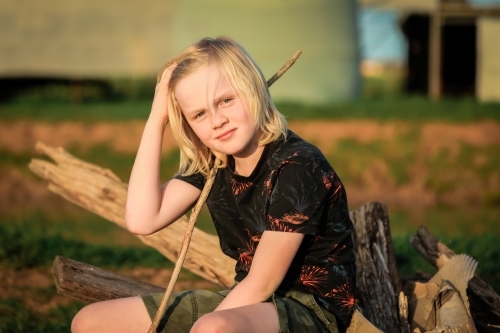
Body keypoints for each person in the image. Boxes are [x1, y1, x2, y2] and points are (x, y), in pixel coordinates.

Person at [71, 36, 356, 333]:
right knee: (90, 322)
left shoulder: (298, 164)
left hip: (312, 310)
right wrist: (157, 119)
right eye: (199, 114)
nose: (217, 121)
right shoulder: (215, 163)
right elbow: (142, 219)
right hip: (245, 302)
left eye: (226, 100)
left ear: (253, 87)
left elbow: (262, 283)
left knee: (212, 329)